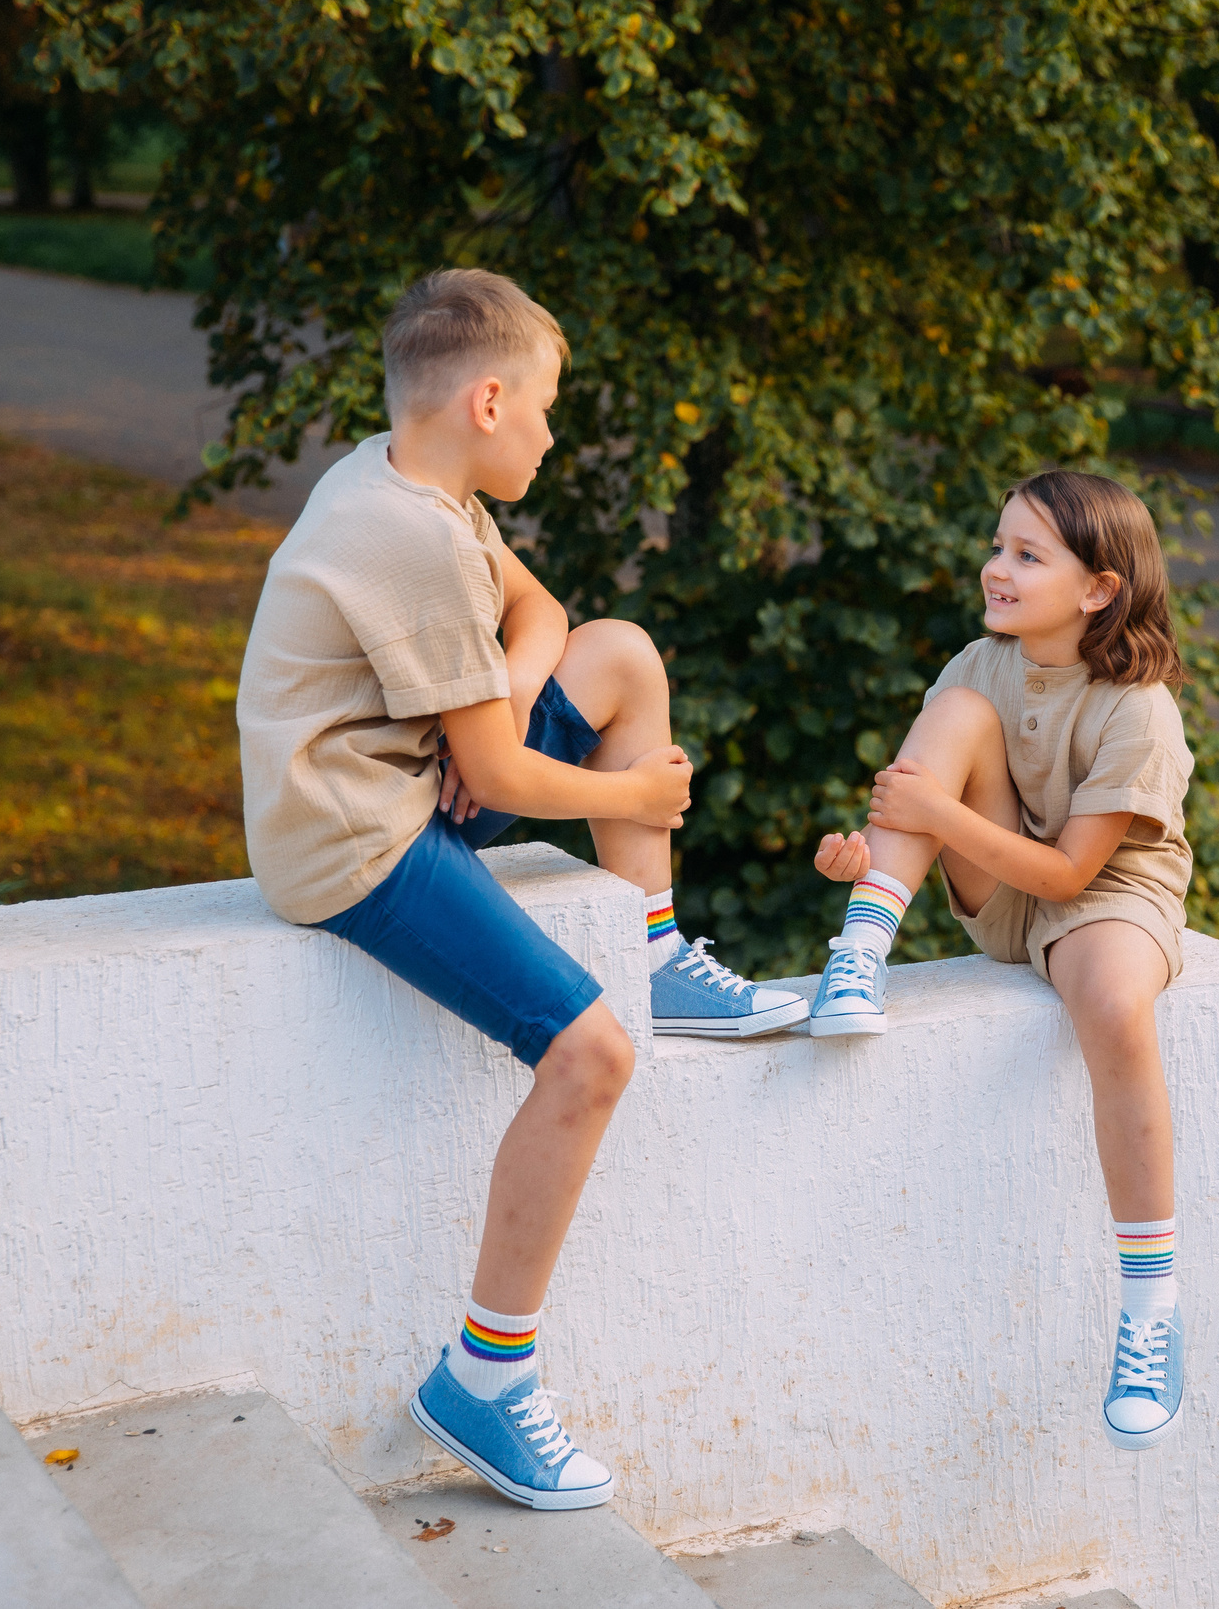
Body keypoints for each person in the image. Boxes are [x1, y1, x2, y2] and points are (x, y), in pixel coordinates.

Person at [236, 268, 806, 1511]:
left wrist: (486, 706)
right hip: (354, 840)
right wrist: (632, 799)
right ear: (488, 401)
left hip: (415, 773)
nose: (554, 433)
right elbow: (498, 772)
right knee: (592, 1057)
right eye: (546, 408)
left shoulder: (412, 476)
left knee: (622, 653)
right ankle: (483, 1380)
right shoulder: (410, 532)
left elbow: (542, 611)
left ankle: (651, 945)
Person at [808, 468, 1196, 1451]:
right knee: (955, 714)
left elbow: (1072, 874)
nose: (997, 568)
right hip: (1001, 876)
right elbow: (916, 796)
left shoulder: (1136, 708)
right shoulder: (981, 665)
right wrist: (872, 859)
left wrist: (931, 817)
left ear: (1099, 587)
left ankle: (1149, 1306)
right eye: (998, 546)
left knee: (1112, 1007)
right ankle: (861, 948)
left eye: (1028, 555)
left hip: (1103, 893)